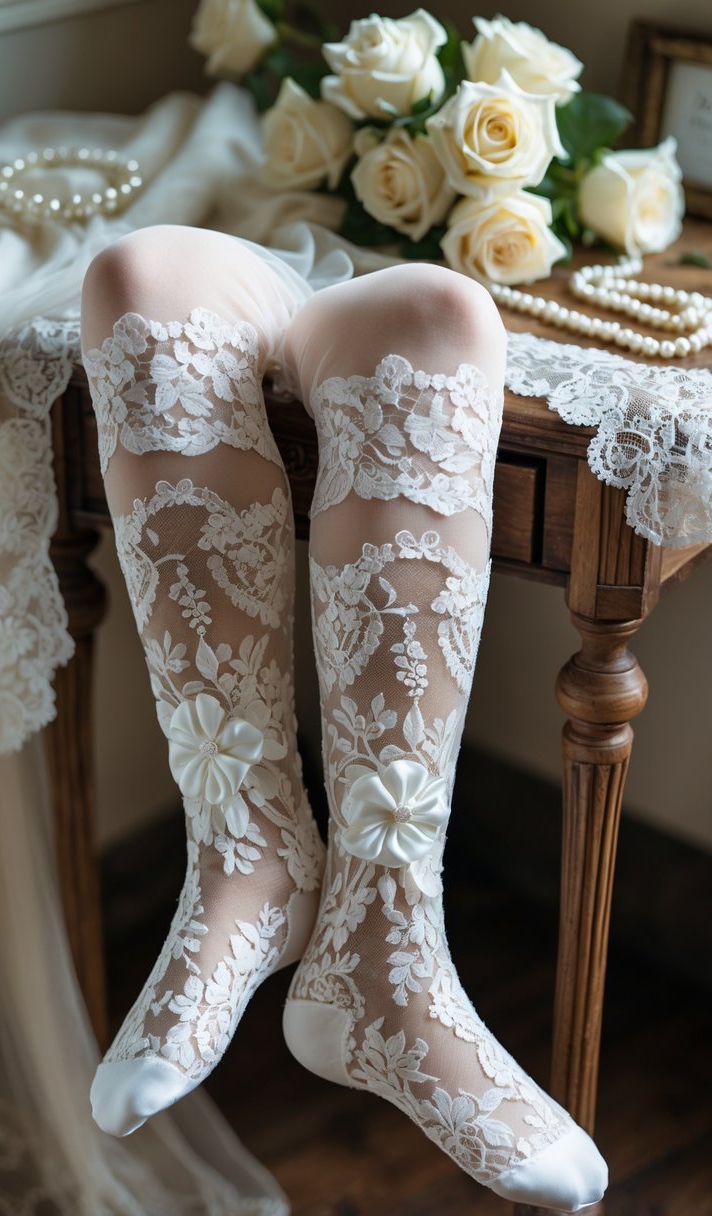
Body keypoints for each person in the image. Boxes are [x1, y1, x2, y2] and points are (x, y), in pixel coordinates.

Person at [81, 223, 608, 1212]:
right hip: (228, 208)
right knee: (135, 276)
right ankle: (247, 855)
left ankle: (386, 939)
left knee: (442, 310)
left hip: (391, 249)